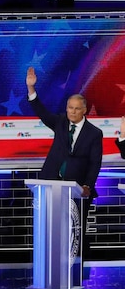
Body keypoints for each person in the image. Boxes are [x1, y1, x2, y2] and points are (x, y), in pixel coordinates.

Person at [26, 67, 102, 200]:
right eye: (70, 108)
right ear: (66, 108)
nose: (72, 112)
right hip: (50, 182)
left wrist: (88, 185)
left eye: (77, 109)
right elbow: (42, 112)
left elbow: (95, 163)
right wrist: (31, 88)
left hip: (78, 188)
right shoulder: (60, 122)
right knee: (47, 220)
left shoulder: (94, 133)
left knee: (75, 221)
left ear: (84, 110)